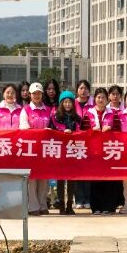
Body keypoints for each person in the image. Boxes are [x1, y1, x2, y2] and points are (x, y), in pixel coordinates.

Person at [87, 89, 123, 215]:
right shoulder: (88, 113)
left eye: (103, 97)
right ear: (94, 99)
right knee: (96, 179)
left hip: (109, 151)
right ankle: (96, 206)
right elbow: (82, 131)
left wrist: (111, 129)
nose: (101, 100)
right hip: (94, 152)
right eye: (98, 97)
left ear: (107, 99)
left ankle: (109, 206)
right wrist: (91, 131)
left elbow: (119, 131)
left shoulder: (113, 113)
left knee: (109, 180)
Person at [18, 83, 53, 215]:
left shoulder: (48, 110)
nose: (37, 96)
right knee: (32, 179)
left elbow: (52, 126)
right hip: (31, 149)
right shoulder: (26, 110)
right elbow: (24, 128)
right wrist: (40, 133)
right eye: (34, 93)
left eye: (39, 93)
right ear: (30, 95)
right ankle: (33, 207)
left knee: (43, 178)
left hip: (44, 149)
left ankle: (43, 205)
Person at [50, 91, 87, 214]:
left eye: (69, 102)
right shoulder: (55, 117)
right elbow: (51, 132)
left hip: (73, 151)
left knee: (72, 179)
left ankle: (70, 204)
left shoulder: (77, 118)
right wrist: (62, 132)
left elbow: (81, 132)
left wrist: (73, 133)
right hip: (60, 151)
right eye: (65, 102)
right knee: (60, 179)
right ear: (61, 103)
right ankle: (61, 204)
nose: (67, 104)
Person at [71, 79, 93, 209]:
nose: (83, 91)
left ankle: (88, 199)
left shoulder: (93, 104)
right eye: (81, 88)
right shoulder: (72, 104)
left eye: (85, 88)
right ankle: (79, 199)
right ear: (77, 90)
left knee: (89, 171)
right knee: (77, 171)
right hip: (75, 142)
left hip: (90, 142)